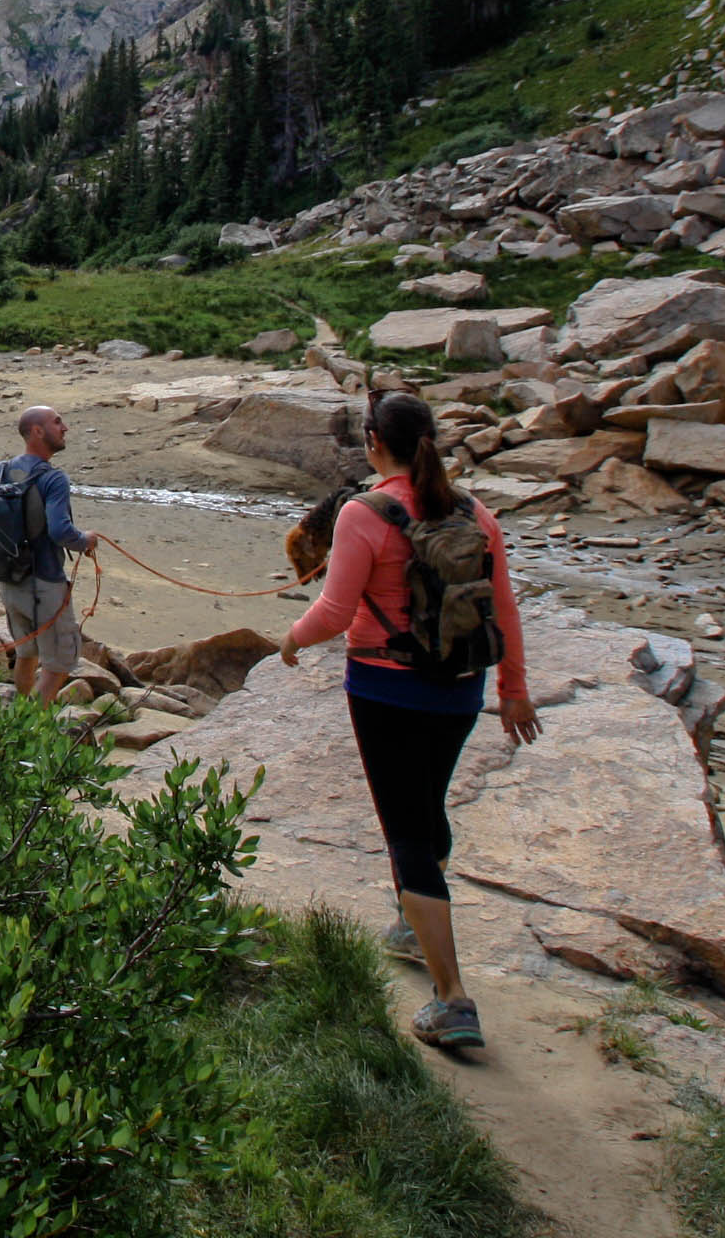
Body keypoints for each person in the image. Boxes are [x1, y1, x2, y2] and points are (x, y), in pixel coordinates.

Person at [277, 391, 539, 1051]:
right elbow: (502, 608)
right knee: (428, 802)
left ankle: (452, 999)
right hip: (458, 686)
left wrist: (291, 638)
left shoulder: (363, 514)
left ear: (373, 442)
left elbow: (335, 612)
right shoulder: (475, 512)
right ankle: (410, 927)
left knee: (406, 832)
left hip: (385, 688)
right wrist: (513, 688)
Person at [0, 404, 103, 705]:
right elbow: (61, 532)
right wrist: (86, 540)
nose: (64, 428)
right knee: (59, 664)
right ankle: (26, 730)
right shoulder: (53, 479)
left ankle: (15, 724)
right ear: (37, 432)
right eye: (57, 422)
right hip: (45, 584)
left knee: (27, 652)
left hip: (8, 581)